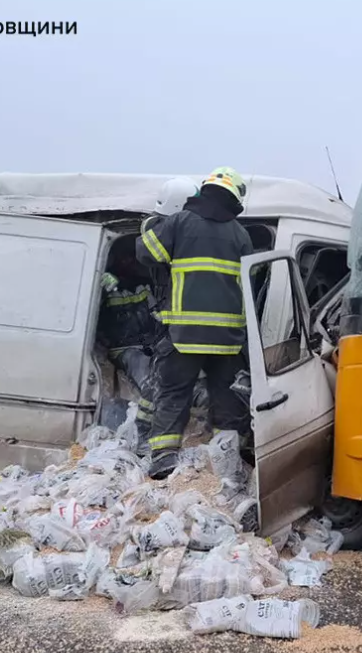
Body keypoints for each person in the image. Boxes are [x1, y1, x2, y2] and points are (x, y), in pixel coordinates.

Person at [137, 166, 254, 481]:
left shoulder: (180, 223)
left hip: (185, 336)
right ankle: (227, 463)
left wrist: (153, 224)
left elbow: (146, 253)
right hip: (228, 340)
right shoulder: (241, 235)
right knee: (226, 396)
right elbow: (251, 284)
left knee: (175, 392)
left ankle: (163, 457)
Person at [96, 235, 162, 431]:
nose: (129, 262)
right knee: (144, 371)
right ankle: (147, 427)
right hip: (124, 348)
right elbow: (92, 317)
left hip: (149, 344)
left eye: (132, 258)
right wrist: (101, 290)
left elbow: (156, 314)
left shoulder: (143, 284)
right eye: (124, 258)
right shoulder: (105, 284)